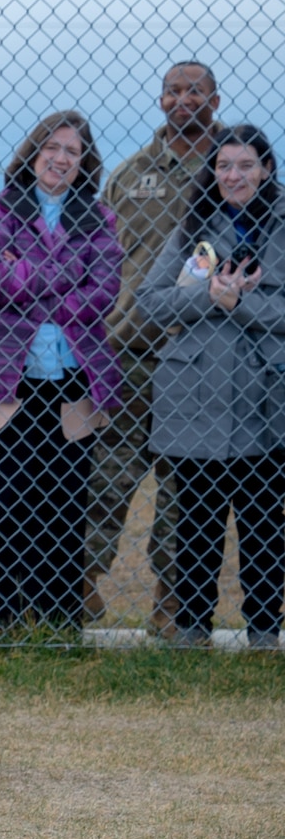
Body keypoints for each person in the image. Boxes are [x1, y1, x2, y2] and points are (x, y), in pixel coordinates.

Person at [0, 111, 123, 643]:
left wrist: (28, 274)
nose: (61, 158)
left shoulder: (99, 218)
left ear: (84, 162)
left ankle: (55, 633)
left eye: (73, 152)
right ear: (33, 152)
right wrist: (60, 276)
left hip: (73, 387)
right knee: (6, 510)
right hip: (7, 385)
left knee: (64, 511)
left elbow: (104, 288)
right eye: (52, 147)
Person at [133, 124, 285, 649]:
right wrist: (209, 298)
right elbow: (149, 302)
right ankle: (191, 630)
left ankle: (265, 631)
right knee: (195, 522)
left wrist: (243, 304)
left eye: (245, 166)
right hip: (194, 396)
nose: (233, 176)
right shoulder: (193, 226)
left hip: (265, 398)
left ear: (266, 169)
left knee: (264, 524)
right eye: (224, 166)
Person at [84, 63, 223, 629]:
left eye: (196, 91)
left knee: (183, 489)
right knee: (106, 477)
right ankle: (81, 583)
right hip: (128, 352)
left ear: (215, 99)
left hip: (196, 357)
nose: (183, 100)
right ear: (160, 100)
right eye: (174, 91)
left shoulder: (231, 172)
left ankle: (170, 602)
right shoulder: (128, 175)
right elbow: (98, 255)